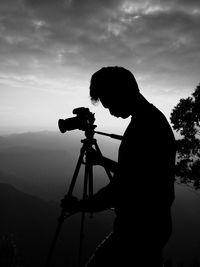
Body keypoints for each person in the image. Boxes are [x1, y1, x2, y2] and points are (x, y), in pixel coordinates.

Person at [62, 66, 176, 266]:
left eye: (109, 103)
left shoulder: (143, 128)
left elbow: (121, 188)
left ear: (121, 91)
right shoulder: (151, 119)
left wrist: (80, 205)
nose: (109, 111)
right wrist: (102, 161)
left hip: (138, 230)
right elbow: (138, 174)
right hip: (153, 225)